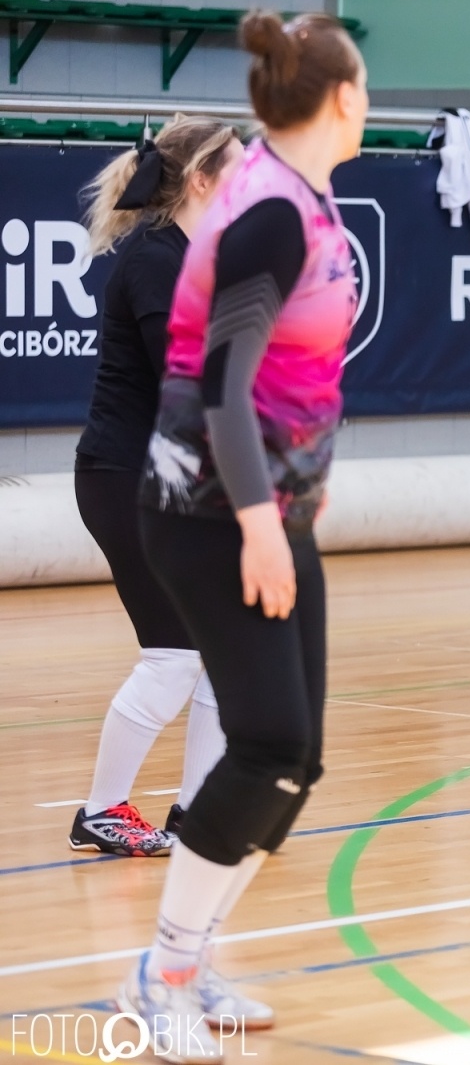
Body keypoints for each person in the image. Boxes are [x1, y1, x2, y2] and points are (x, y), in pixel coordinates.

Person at [116, 12, 365, 1061]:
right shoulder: (267, 212)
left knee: (292, 757)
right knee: (267, 742)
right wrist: (264, 525)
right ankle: (164, 972)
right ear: (344, 98)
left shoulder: (298, 195)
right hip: (212, 516)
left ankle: (192, 952)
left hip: (266, 509)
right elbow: (220, 384)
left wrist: (289, 507)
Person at [70, 115, 243, 859]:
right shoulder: (154, 259)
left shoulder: (195, 255)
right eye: (239, 168)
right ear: (202, 179)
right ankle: (101, 809)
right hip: (126, 479)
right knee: (173, 656)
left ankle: (200, 814)